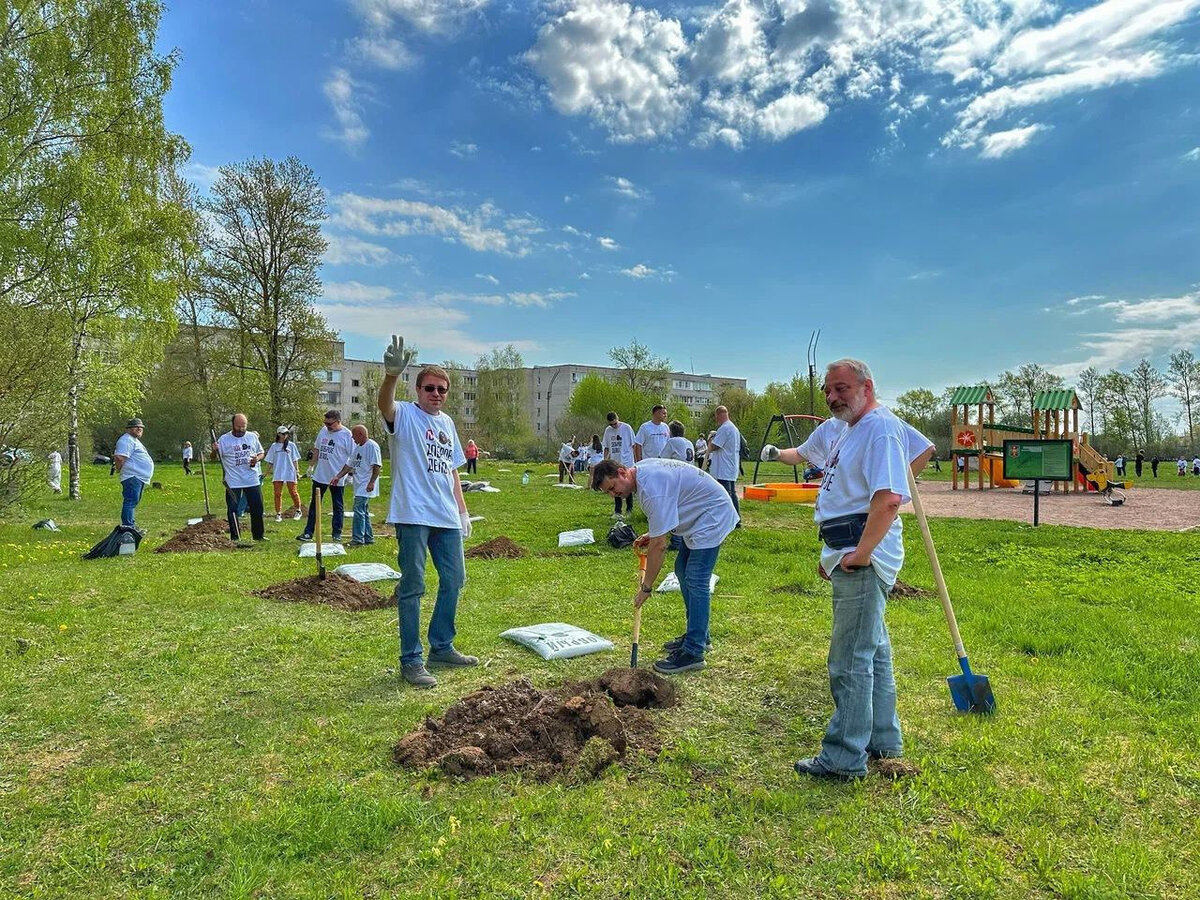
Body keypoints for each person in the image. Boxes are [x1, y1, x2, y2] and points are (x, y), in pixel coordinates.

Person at [771, 359, 933, 781]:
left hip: (862, 552)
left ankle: (844, 757)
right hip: (846, 547)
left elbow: (889, 499)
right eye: (828, 390)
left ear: (867, 386)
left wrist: (860, 553)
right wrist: (836, 552)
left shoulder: (879, 428)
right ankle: (883, 738)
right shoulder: (851, 429)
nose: (832, 397)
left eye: (841, 388)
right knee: (874, 651)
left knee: (849, 660)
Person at [378, 336, 476, 688]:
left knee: (454, 580)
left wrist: (463, 510)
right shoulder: (404, 414)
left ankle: (442, 646)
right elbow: (384, 406)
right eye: (430, 388)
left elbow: (451, 469)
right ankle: (411, 660)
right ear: (418, 389)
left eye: (442, 389)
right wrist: (391, 376)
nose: (436, 394)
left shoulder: (447, 424)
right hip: (413, 514)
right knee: (413, 585)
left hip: (446, 515)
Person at [592, 458, 737, 674]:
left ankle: (694, 652)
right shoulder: (642, 474)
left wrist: (646, 587)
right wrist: (654, 533)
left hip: (712, 515)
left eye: (613, 488)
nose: (614, 495)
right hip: (701, 515)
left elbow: (659, 547)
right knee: (681, 569)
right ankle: (699, 635)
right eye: (609, 493)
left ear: (622, 472)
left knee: (696, 578)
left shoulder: (651, 489)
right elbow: (670, 508)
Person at [297, 409, 354, 542]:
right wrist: (311, 466)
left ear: (338, 421)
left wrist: (349, 474)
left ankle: (336, 533)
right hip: (320, 475)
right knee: (314, 505)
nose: (327, 426)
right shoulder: (323, 431)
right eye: (325, 423)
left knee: (337, 505)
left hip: (336, 477)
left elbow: (352, 457)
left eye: (330, 424)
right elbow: (317, 449)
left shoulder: (347, 435)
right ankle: (308, 532)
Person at [214, 413, 267, 542]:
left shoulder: (252, 437)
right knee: (232, 509)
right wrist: (214, 450)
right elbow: (215, 457)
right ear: (233, 425)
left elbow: (261, 453)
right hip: (233, 481)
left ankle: (258, 535)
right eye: (238, 427)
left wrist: (257, 459)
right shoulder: (224, 439)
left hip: (251, 478)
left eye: (244, 426)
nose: (241, 429)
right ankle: (235, 537)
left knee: (257, 507)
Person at [334, 425, 382, 546]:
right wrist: (338, 476)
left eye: (354, 436)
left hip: (366, 484)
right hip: (359, 484)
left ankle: (357, 539)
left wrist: (371, 482)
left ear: (361, 434)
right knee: (364, 511)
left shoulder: (372, 446)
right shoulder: (358, 448)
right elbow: (349, 465)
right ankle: (368, 537)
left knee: (358, 510)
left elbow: (377, 466)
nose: (352, 438)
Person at [113, 418, 153, 528]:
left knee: (133, 501)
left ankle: (131, 524)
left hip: (138, 477)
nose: (139, 428)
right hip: (132, 476)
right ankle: (128, 525)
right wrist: (119, 469)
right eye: (136, 427)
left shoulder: (133, 440)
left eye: (141, 427)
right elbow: (120, 457)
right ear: (129, 429)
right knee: (130, 501)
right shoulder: (126, 440)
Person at [707, 406, 742, 526]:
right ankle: (735, 520)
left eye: (716, 417)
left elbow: (715, 446)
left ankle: (730, 521)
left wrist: (710, 440)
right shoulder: (733, 428)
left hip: (724, 468)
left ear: (718, 415)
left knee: (725, 495)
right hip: (729, 466)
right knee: (731, 494)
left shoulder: (725, 428)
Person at [266, 426, 304, 522]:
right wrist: (266, 472)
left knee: (293, 492)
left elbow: (295, 460)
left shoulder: (291, 445)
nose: (285, 435)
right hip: (278, 472)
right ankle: (278, 513)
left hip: (290, 472)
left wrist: (297, 471)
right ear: (278, 434)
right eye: (283, 434)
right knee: (277, 493)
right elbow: (270, 460)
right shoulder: (274, 446)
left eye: (286, 433)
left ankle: (298, 510)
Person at [603, 412, 635, 516]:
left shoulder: (626, 428)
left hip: (627, 461)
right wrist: (605, 461)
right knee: (614, 486)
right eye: (611, 424)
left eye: (615, 423)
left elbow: (633, 445)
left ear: (618, 419)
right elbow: (607, 448)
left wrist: (636, 460)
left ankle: (629, 509)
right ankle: (618, 510)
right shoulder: (608, 431)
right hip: (615, 462)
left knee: (628, 486)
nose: (613, 426)